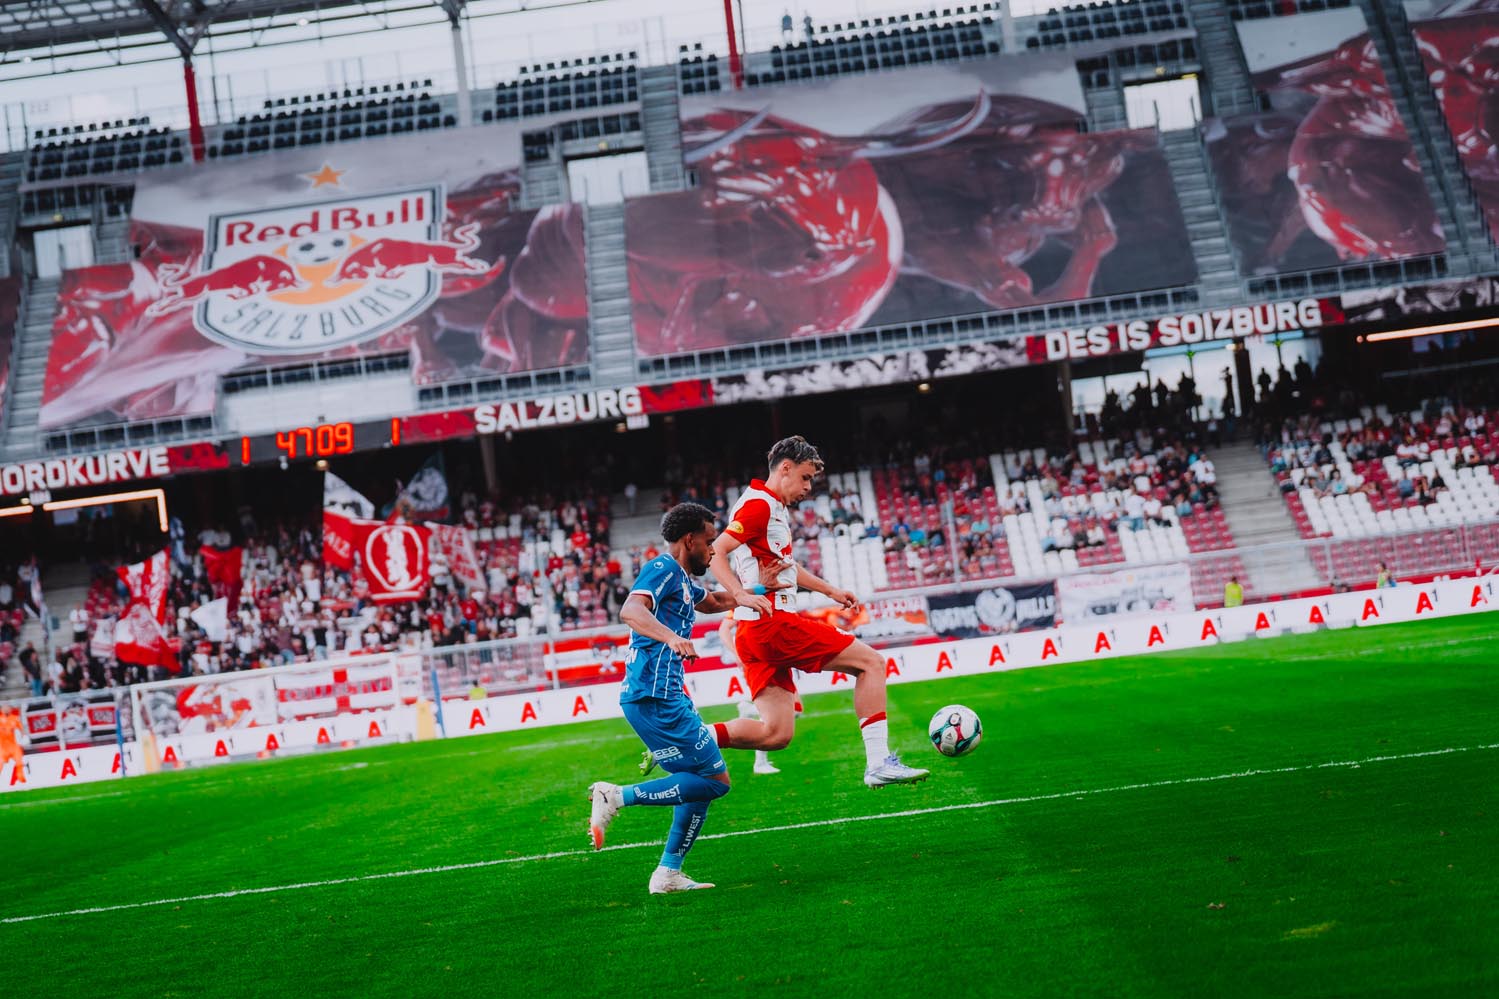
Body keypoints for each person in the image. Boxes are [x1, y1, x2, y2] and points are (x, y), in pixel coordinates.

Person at [707, 436, 928, 789]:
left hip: (753, 633)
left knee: (776, 734)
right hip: (772, 624)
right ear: (785, 468)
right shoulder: (759, 506)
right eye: (806, 477)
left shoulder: (768, 505)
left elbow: (786, 567)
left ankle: (690, 737)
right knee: (871, 663)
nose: (809, 487)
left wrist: (830, 591)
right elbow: (716, 551)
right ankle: (878, 762)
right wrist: (739, 594)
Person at [587, 503, 767, 895]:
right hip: (654, 697)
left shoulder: (683, 580)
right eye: (708, 542)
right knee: (715, 781)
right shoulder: (663, 568)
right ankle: (615, 796)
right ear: (689, 540)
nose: (713, 551)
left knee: (698, 783)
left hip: (665, 696)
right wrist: (671, 637)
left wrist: (759, 590)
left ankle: (668, 873)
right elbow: (630, 609)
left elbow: (714, 602)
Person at [0, 707, 24, 784]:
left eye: (7, 708)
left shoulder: (14, 718)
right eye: (4, 708)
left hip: (13, 745)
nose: (6, 710)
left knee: (19, 760)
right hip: (2, 747)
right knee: (0, 762)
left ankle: (20, 776)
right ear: (1, 710)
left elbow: (21, 729)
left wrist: (23, 736)